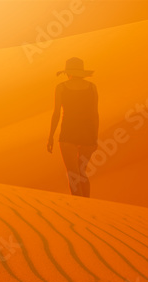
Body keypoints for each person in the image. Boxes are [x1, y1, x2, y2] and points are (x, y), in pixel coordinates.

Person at [48, 57, 99, 198]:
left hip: (68, 133)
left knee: (73, 174)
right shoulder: (92, 87)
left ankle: (78, 208)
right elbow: (95, 114)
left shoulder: (61, 87)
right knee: (82, 173)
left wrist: (51, 136)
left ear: (68, 72)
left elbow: (56, 113)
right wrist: (95, 138)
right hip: (88, 133)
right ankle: (87, 205)